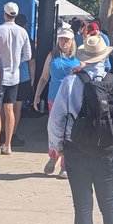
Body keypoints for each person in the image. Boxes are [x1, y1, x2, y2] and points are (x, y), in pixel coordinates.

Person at [48, 34, 113, 224]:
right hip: (105, 151)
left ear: (85, 57)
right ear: (104, 57)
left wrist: (57, 146)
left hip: (76, 151)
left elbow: (56, 119)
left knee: (83, 208)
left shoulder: (70, 82)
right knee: (110, 205)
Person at [34, 28, 81, 178]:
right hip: (54, 98)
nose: (64, 42)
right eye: (61, 39)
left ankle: (64, 165)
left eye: (67, 39)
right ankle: (53, 155)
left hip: (72, 98)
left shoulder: (78, 57)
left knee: (69, 131)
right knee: (54, 130)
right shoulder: (51, 56)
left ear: (72, 40)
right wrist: (37, 95)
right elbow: (43, 77)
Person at [0, 1, 33, 156]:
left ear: (4, 14)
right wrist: (16, 61)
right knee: (9, 110)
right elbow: (28, 55)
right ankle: (7, 144)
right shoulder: (22, 32)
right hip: (14, 76)